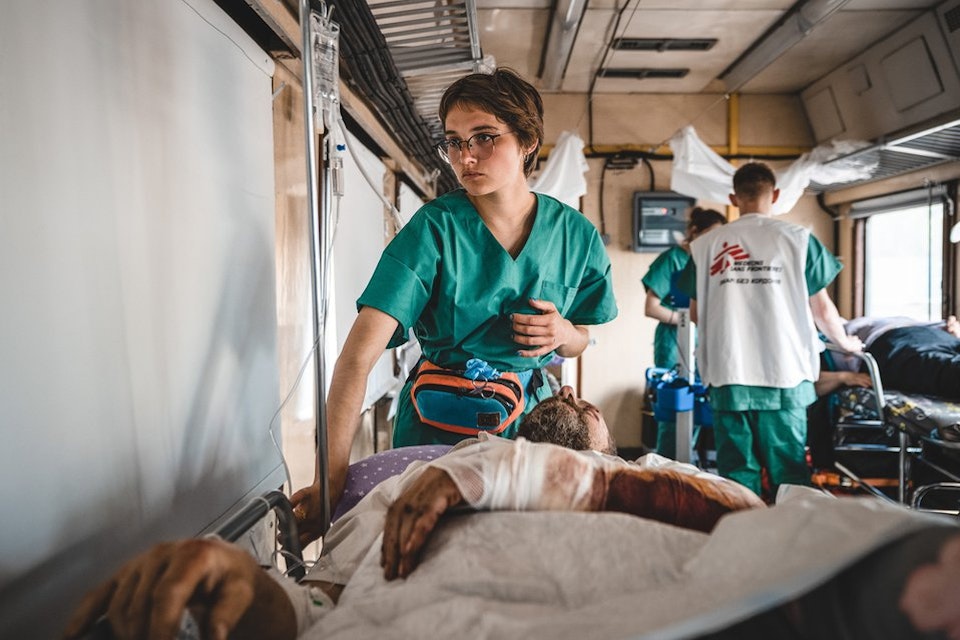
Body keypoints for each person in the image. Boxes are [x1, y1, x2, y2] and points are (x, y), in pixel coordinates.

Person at [63, 435, 960, 640]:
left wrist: (536, 470)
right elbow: (319, 611)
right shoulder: (399, 493)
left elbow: (754, 531)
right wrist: (249, 588)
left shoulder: (663, 483)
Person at [291, 67, 618, 541]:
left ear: (527, 140)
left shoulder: (576, 235)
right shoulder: (434, 230)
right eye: (454, 142)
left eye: (484, 137)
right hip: (435, 428)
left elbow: (581, 338)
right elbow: (356, 360)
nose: (466, 156)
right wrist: (330, 484)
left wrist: (566, 334)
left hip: (529, 429)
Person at [679, 161, 863, 498]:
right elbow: (821, 308)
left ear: (734, 198)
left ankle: (744, 541)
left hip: (728, 372)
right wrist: (846, 343)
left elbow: (695, 313)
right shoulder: (798, 240)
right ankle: (792, 544)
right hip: (784, 374)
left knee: (736, 475)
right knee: (790, 471)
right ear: (775, 195)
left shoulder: (706, 246)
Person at [642, 207, 727, 458]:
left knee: (699, 409)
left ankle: (689, 469)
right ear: (694, 232)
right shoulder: (672, 259)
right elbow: (651, 307)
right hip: (673, 344)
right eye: (711, 234)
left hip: (705, 343)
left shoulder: (715, 262)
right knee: (674, 409)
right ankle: (668, 469)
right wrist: (686, 320)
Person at [843, 315, 960, 398]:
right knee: (943, 368)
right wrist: (844, 377)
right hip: (932, 334)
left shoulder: (841, 331)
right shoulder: (838, 335)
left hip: (900, 341)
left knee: (941, 368)